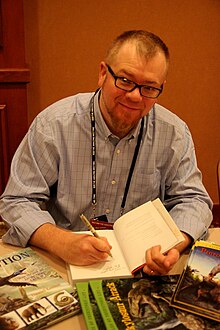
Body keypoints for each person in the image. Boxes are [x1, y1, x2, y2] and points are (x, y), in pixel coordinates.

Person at [0, 30, 213, 276]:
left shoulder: (174, 132)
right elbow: (17, 200)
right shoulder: (53, 125)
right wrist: (61, 242)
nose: (135, 96)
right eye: (125, 80)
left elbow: (194, 200)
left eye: (149, 88)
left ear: (161, 88)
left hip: (144, 266)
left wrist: (174, 245)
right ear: (103, 74)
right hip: (65, 260)